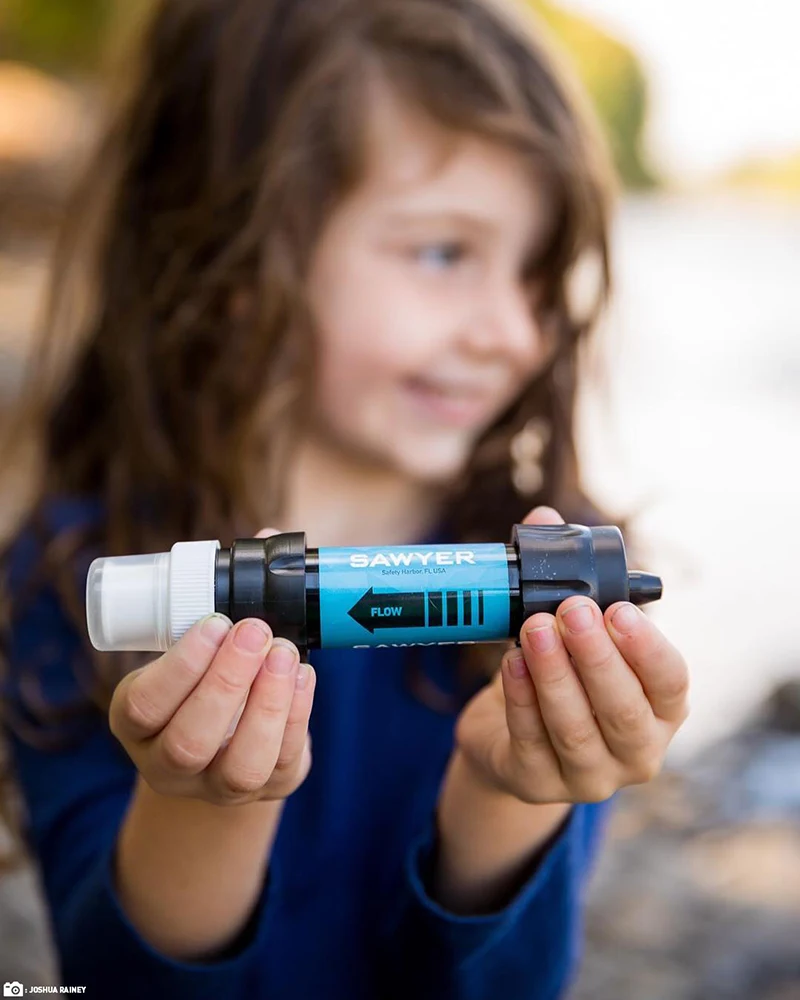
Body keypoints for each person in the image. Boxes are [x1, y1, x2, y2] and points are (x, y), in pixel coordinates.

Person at [0, 0, 691, 996]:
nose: (511, 333)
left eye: (537, 277)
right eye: (443, 252)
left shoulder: (535, 583)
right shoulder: (68, 582)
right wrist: (204, 799)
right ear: (232, 256)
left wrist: (509, 792)